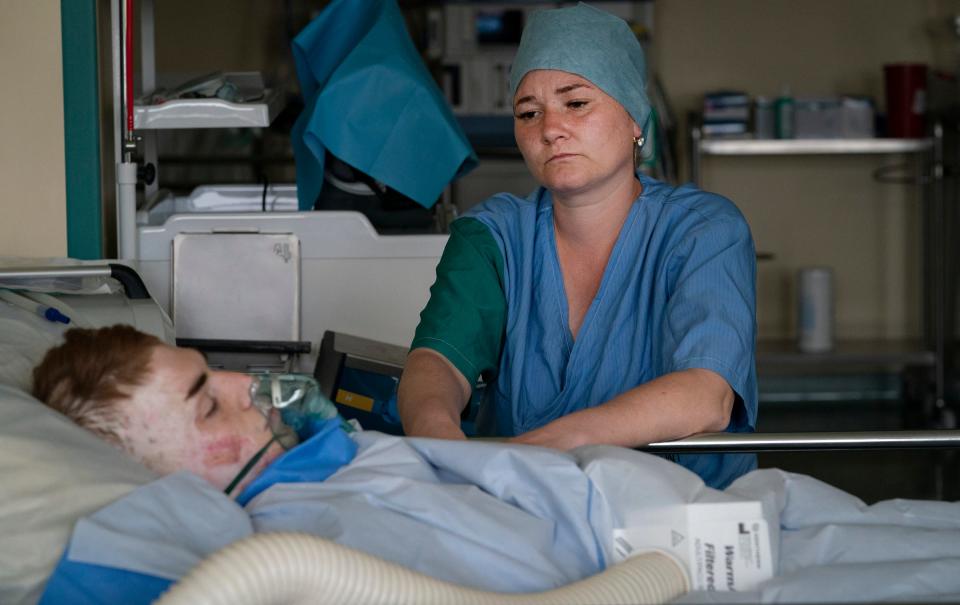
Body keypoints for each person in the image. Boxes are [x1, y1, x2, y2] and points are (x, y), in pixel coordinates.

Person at [398, 3, 758, 489]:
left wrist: (533, 455)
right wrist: (439, 442)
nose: (550, 128)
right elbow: (437, 361)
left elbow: (705, 395)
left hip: (685, 520)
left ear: (634, 119)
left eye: (576, 103)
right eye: (529, 113)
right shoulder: (494, 235)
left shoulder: (704, 230)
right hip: (522, 511)